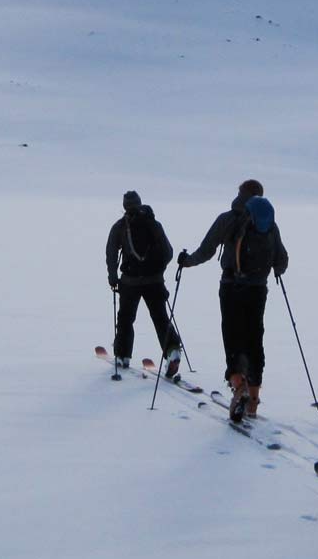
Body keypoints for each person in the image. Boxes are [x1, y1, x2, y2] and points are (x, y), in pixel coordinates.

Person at [176, 179, 288, 420]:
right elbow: (282, 260)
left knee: (233, 337)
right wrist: (276, 269)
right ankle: (254, 397)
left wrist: (186, 261)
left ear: (241, 194)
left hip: (231, 287)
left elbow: (207, 250)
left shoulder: (228, 219)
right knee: (255, 337)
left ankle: (239, 388)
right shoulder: (269, 225)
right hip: (258, 289)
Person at [106, 191, 182, 376]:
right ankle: (172, 350)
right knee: (160, 318)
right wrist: (157, 270)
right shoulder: (154, 224)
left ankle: (122, 355)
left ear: (125, 206)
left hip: (129, 281)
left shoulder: (120, 226)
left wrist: (113, 276)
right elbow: (169, 252)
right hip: (154, 281)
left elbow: (111, 253)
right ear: (140, 203)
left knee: (125, 318)